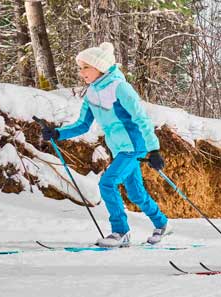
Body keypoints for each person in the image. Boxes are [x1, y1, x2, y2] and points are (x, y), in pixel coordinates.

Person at [41, 42, 168, 248]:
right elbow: (83, 125)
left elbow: (141, 118)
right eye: (80, 68)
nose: (81, 72)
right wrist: (57, 133)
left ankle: (120, 232)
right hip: (119, 149)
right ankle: (161, 223)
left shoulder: (120, 87)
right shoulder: (91, 92)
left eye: (85, 67)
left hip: (134, 146)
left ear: (99, 67)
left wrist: (154, 149)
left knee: (107, 183)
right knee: (135, 193)